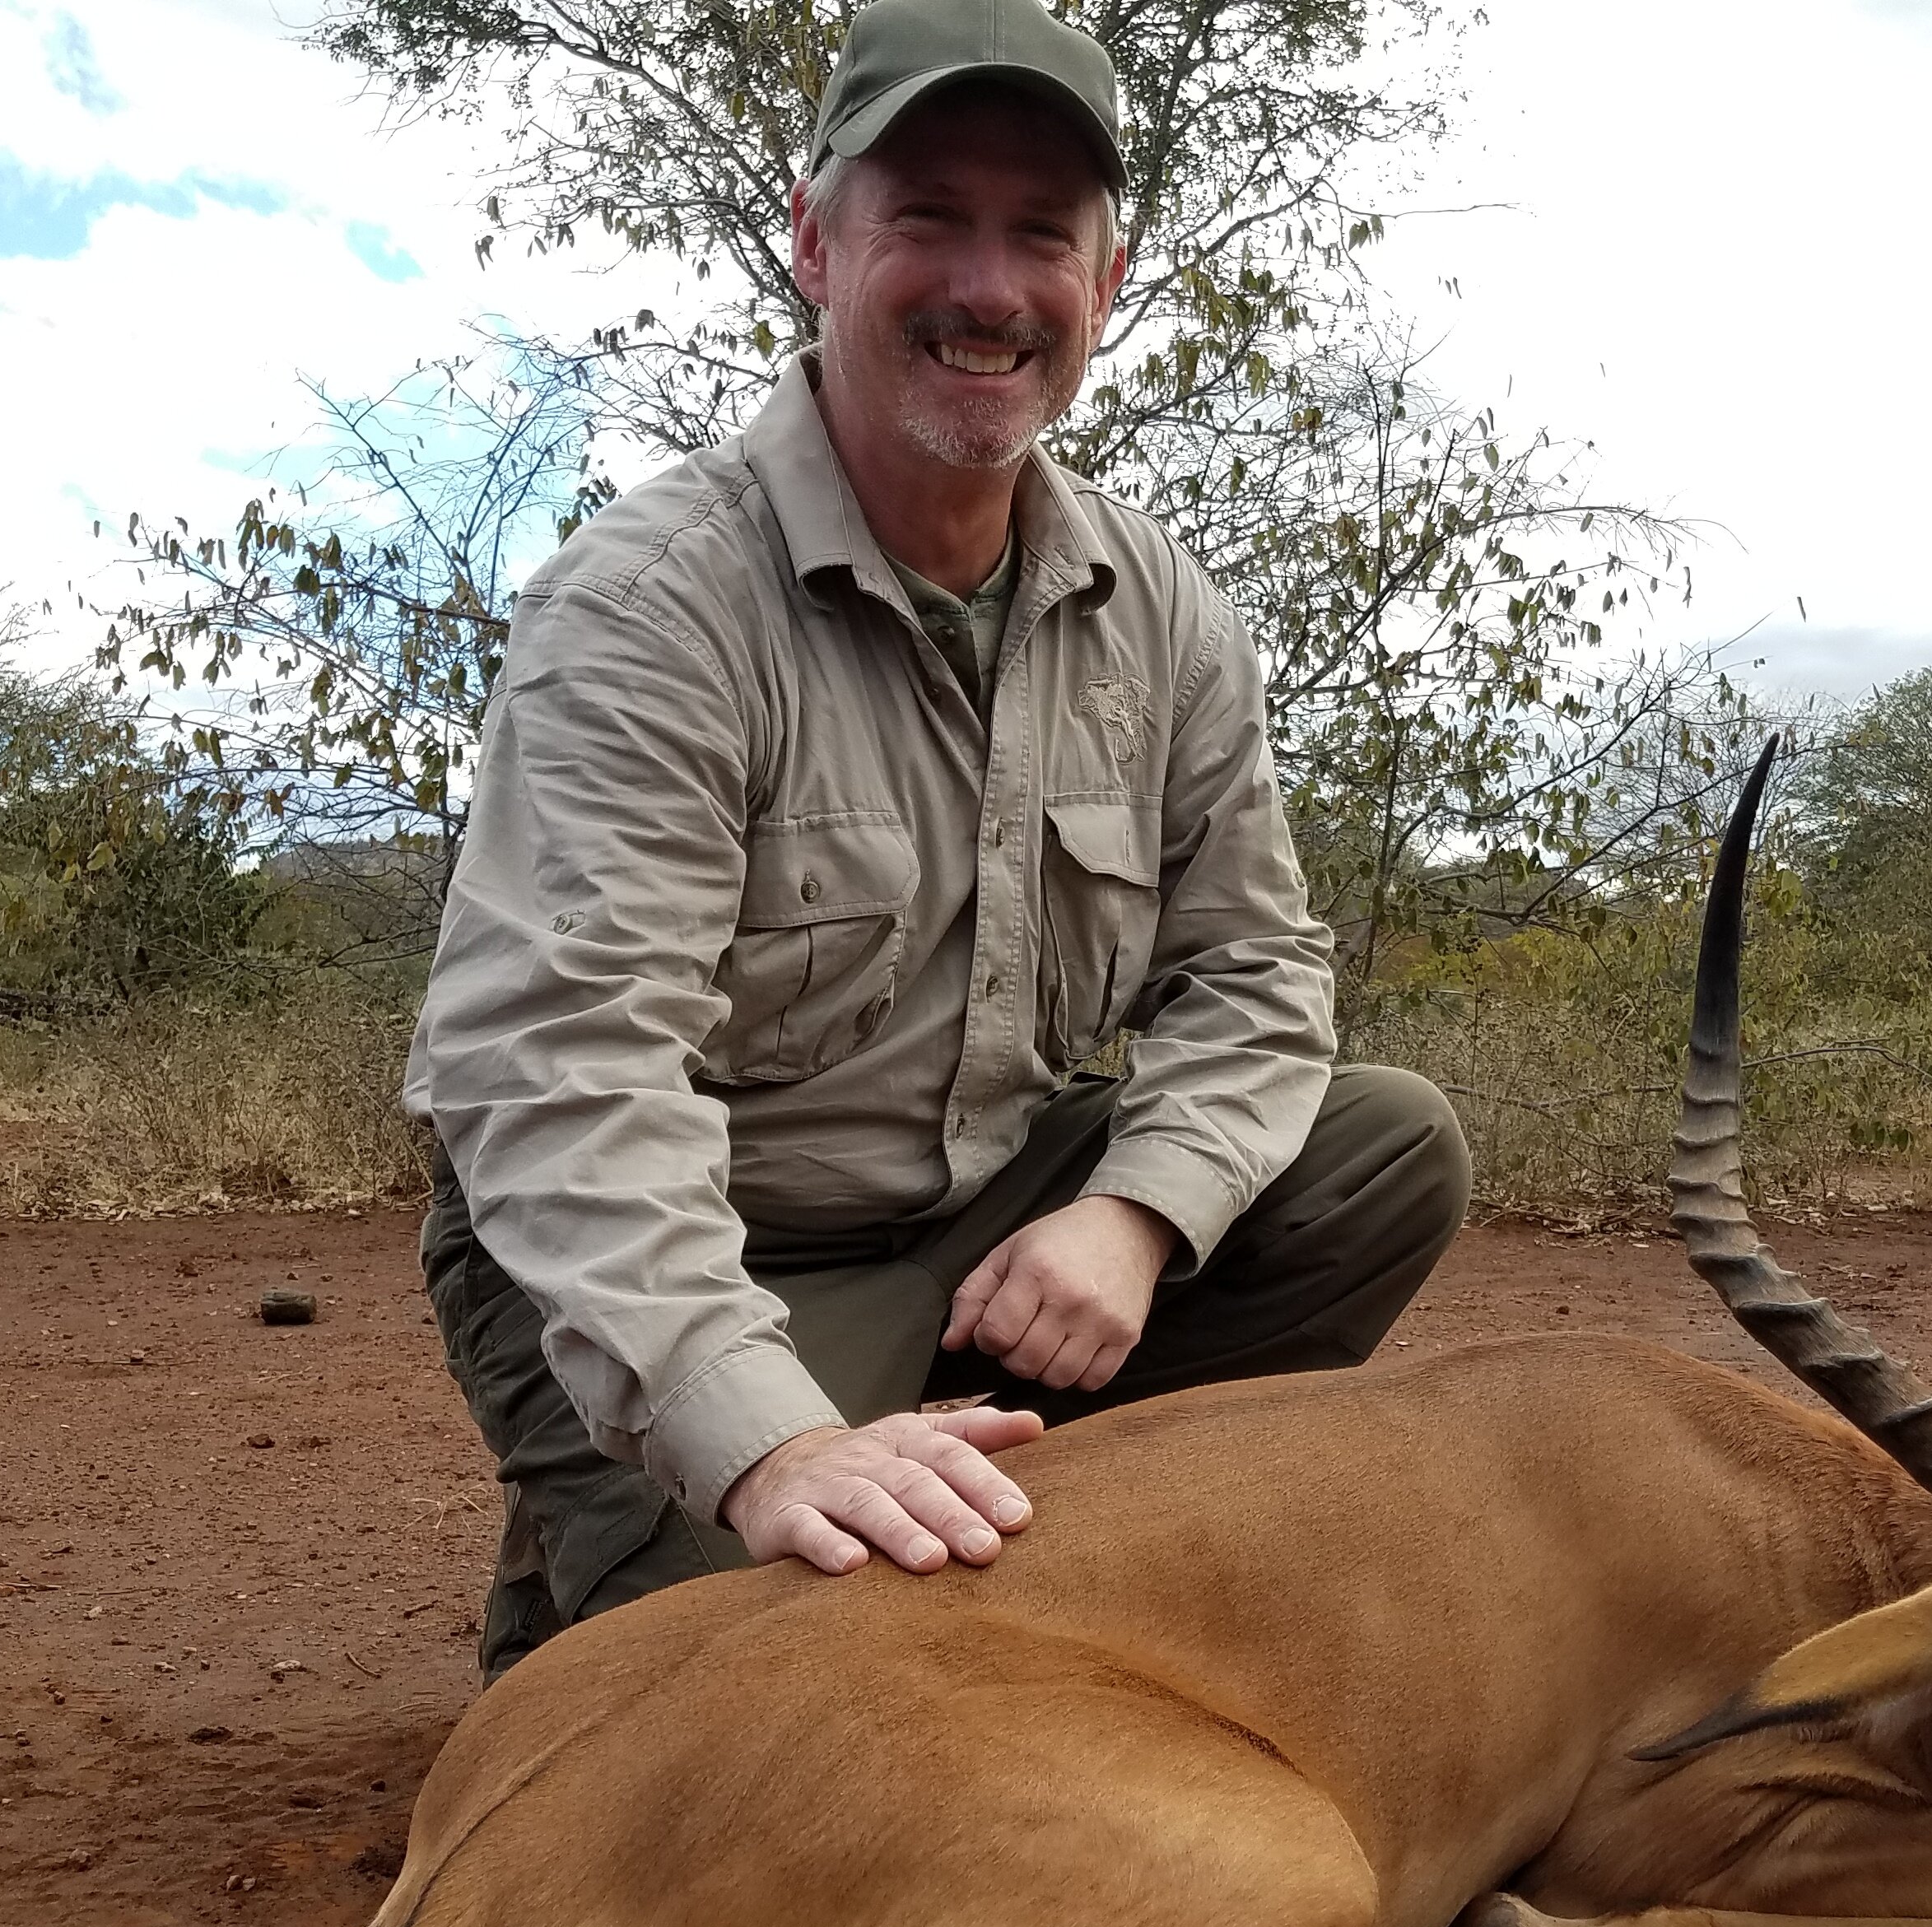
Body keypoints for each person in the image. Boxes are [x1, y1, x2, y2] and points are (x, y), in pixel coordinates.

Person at [406, 0, 1469, 1680]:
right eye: (928, 221)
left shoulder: (1163, 606)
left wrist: (1136, 1215)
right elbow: (562, 1070)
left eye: (1041, 235)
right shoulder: (652, 606)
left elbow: (1256, 970)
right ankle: (628, 1533)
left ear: (1103, 287)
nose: (989, 288)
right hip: (703, 1248)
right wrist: (772, 1449)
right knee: (765, 1692)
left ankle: (1029, 1534)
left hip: (984, 1237)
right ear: (818, 245)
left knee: (1380, 1150)